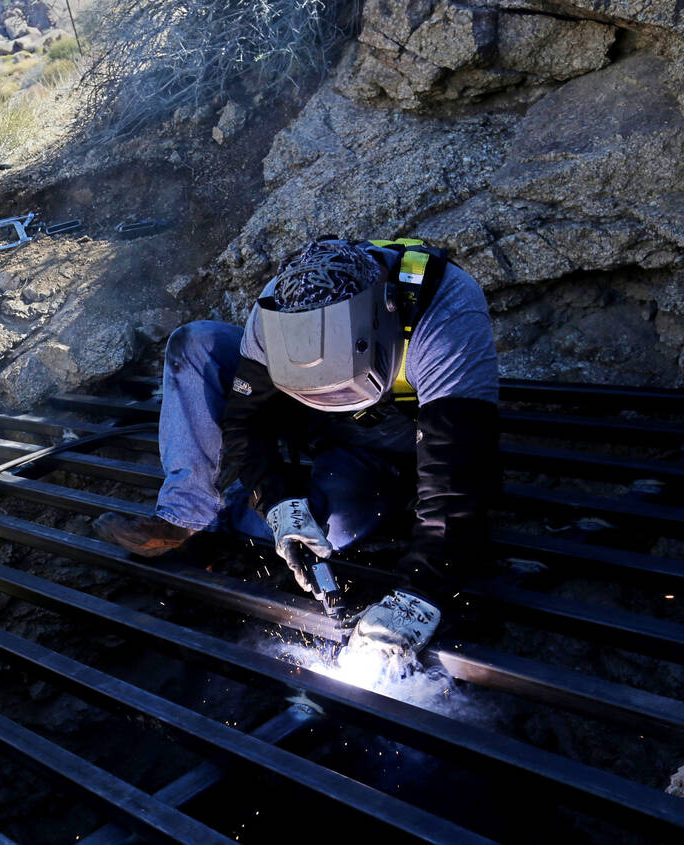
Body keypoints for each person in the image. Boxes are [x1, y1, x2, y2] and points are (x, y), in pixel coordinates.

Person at [94, 238, 499, 663]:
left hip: (392, 438)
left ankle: (253, 509)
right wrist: (277, 499)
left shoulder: (444, 312)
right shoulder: (278, 307)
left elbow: (460, 469)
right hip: (307, 423)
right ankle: (186, 517)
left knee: (334, 526)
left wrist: (423, 590)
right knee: (194, 343)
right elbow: (244, 421)